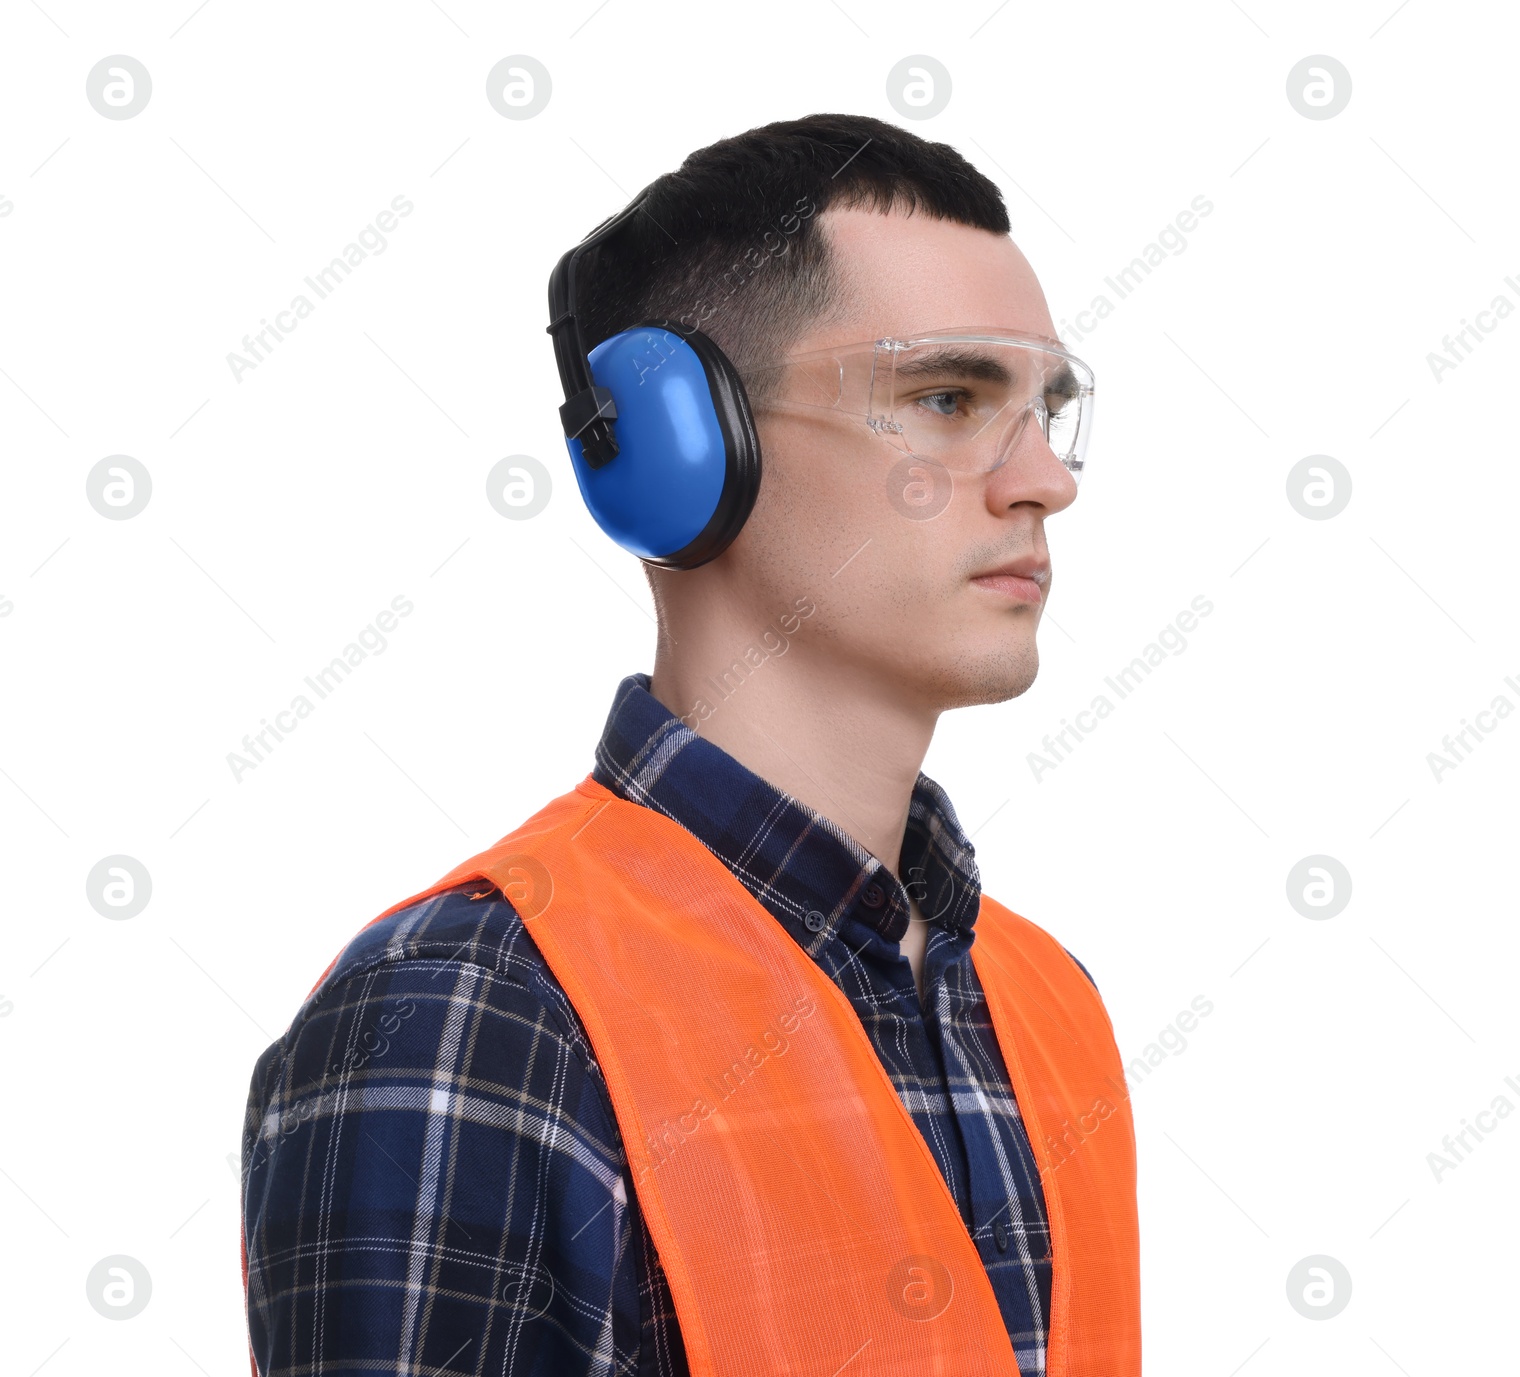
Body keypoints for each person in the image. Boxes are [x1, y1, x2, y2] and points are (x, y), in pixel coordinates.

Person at [240, 111, 1139, 1377]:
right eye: (947, 398)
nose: (1045, 478)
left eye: (1045, 408)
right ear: (679, 452)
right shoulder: (471, 1012)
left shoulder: (1048, 1006)